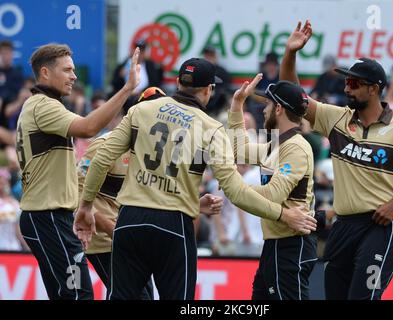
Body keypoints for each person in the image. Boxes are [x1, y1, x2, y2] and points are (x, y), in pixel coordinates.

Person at [74, 57, 316, 300]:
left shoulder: (140, 110)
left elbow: (102, 157)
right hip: (173, 224)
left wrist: (85, 206)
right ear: (209, 89)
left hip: (130, 219)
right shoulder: (211, 128)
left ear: (178, 82)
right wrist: (283, 214)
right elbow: (234, 188)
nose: (263, 108)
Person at [280, 20, 393, 300]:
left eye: (353, 83)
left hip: (380, 226)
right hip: (343, 226)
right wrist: (291, 53)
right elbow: (292, 95)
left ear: (374, 89)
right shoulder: (336, 117)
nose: (347, 88)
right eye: (345, 82)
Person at [16, 43, 141, 300]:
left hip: (49, 216)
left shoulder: (43, 105)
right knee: (79, 295)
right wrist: (127, 89)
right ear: (45, 73)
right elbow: (88, 127)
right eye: (67, 70)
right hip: (47, 217)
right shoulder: (42, 106)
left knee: (70, 295)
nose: (74, 76)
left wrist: (77, 211)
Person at [78, 86, 223, 299]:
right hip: (104, 239)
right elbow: (78, 193)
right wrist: (108, 225)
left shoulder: (161, 147)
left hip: (130, 231)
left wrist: (196, 204)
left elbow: (157, 192)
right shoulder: (104, 145)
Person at [228, 73, 317, 300]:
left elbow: (273, 194)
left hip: (291, 245)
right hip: (277, 244)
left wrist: (234, 188)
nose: (264, 110)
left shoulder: (296, 147)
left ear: (279, 109)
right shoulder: (276, 145)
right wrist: (237, 105)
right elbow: (239, 150)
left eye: (267, 104)